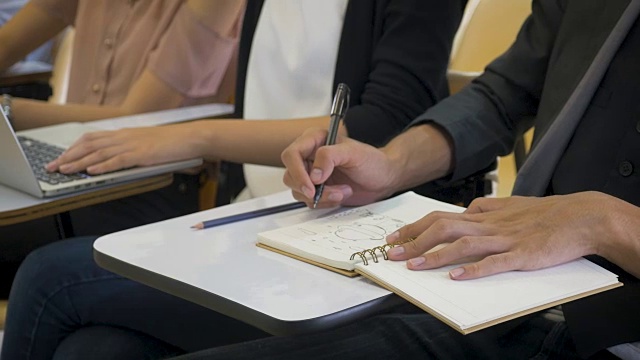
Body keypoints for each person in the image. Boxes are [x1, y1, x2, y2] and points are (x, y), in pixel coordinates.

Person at [1, 1, 471, 359]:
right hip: (250, 219)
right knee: (92, 349)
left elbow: (385, 123)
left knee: (50, 277)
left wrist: (197, 137)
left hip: (340, 234)